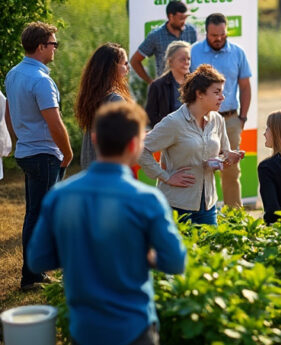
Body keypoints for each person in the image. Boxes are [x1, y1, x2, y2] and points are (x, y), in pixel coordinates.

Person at [27, 101, 186, 345]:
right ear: (135, 145)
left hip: (84, 329)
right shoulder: (147, 200)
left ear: (94, 139)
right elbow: (175, 261)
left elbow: (38, 260)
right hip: (134, 327)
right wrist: (147, 256)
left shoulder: (59, 195)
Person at [4, 22, 73, 290]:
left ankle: (35, 271)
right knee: (40, 216)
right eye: (53, 43)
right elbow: (55, 124)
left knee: (34, 213)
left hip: (28, 152)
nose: (56, 48)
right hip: (44, 154)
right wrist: (67, 153)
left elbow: (9, 113)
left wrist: (19, 138)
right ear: (42, 46)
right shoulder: (41, 80)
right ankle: (31, 276)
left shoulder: (13, 73)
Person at [139, 64, 240, 225]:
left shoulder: (217, 120)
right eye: (217, 92)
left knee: (210, 249)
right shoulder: (174, 122)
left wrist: (227, 158)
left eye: (222, 92)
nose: (222, 97)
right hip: (177, 206)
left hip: (208, 205)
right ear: (199, 94)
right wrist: (166, 177)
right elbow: (141, 149)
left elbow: (222, 153)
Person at [190, 13, 252, 209]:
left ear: (226, 31)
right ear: (206, 32)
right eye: (213, 35)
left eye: (222, 34)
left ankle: (234, 216)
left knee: (231, 170)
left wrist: (242, 117)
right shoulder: (194, 52)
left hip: (230, 120)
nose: (218, 38)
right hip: (201, 121)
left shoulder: (238, 52)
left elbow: (245, 86)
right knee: (200, 167)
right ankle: (199, 213)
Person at [75, 43, 133, 169]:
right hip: (110, 169)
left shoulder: (92, 97)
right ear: (112, 68)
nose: (128, 68)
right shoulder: (115, 100)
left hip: (90, 166)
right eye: (125, 64)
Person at [130, 0, 197, 83]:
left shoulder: (191, 31)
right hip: (165, 88)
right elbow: (135, 60)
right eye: (181, 18)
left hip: (187, 87)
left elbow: (195, 57)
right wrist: (151, 82)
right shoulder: (156, 35)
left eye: (185, 18)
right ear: (170, 16)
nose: (183, 22)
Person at [145, 40, 191, 127]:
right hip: (168, 136)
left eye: (188, 59)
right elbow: (150, 116)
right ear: (170, 61)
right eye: (182, 59)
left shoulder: (196, 84)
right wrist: (167, 126)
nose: (187, 62)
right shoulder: (157, 86)